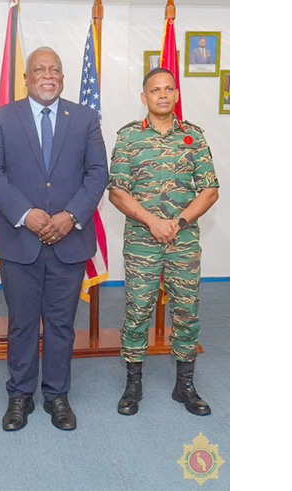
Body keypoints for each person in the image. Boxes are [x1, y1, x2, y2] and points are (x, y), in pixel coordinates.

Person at [0, 46, 108, 431]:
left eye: (54, 69)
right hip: (20, 242)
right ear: (27, 78)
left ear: (64, 78)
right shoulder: (1, 118)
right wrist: (25, 214)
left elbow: (98, 172)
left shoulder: (85, 118)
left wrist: (70, 216)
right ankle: (19, 395)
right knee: (21, 323)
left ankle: (56, 396)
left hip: (69, 241)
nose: (47, 75)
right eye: (39, 69)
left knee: (60, 324)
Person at [108, 67, 219, 417]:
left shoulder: (194, 137)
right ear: (145, 97)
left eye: (169, 89)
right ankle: (133, 383)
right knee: (137, 310)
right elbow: (117, 192)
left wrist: (178, 221)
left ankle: (184, 384)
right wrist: (153, 222)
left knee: (186, 311)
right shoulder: (128, 138)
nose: (163, 95)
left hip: (182, 242)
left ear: (176, 95)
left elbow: (210, 190)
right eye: (155, 90)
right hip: (142, 241)